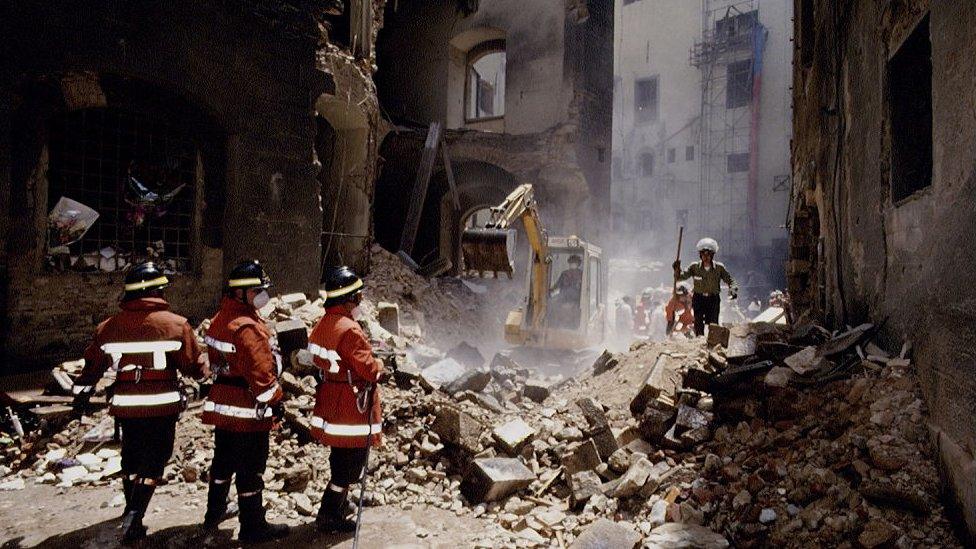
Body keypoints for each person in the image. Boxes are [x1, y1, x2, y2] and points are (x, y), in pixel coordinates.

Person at [71, 262, 206, 542]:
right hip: (163, 406)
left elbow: (92, 367)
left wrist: (81, 394)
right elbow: (193, 367)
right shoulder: (176, 324)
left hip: (126, 406)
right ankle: (135, 515)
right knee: (155, 462)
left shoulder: (107, 327)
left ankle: (130, 511)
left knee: (131, 457)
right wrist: (207, 375)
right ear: (157, 291)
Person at [201, 260, 288, 542]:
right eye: (257, 290)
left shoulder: (220, 318)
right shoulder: (247, 327)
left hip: (222, 406)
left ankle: (214, 512)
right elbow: (261, 377)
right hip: (247, 411)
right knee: (251, 468)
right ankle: (253, 527)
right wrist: (276, 401)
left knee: (223, 461)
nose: (262, 295)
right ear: (240, 293)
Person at [307, 266, 385, 533]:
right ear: (348, 299)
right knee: (349, 465)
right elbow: (370, 370)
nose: (360, 302)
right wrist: (380, 364)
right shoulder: (349, 329)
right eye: (358, 297)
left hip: (331, 397)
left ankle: (338, 504)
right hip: (350, 405)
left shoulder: (324, 324)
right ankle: (330, 514)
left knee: (339, 456)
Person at [673, 237, 738, 336]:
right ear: (700, 255)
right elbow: (680, 277)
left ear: (712, 255)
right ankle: (700, 341)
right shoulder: (694, 267)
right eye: (703, 254)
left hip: (713, 299)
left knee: (713, 323)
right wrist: (677, 269)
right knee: (698, 322)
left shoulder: (719, 268)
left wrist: (733, 289)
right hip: (698, 299)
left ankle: (713, 344)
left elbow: (730, 280)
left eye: (709, 254)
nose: (706, 257)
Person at [551, 255, 584, 327]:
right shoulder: (564, 274)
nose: (572, 265)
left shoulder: (582, 275)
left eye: (574, 263)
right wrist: (550, 291)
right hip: (563, 298)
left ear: (578, 264)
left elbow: (583, 288)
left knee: (574, 311)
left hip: (576, 299)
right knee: (551, 303)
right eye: (571, 263)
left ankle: (573, 325)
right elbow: (558, 284)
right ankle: (554, 324)